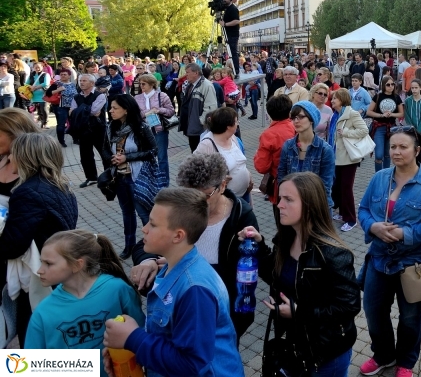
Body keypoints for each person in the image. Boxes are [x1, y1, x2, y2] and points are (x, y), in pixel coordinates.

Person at [102, 187, 244, 377]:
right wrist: (130, 349)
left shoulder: (195, 290)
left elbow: (192, 365)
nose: (144, 228)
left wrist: (133, 338)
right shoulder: (169, 267)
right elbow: (169, 337)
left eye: (152, 224)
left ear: (178, 236)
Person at [129, 154, 266, 343]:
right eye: (189, 193)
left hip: (224, 313)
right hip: (183, 309)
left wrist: (177, 266)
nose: (195, 203)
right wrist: (148, 261)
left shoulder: (241, 216)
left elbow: (245, 269)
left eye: (204, 195)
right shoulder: (183, 211)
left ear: (223, 185)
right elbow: (145, 243)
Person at [240, 172, 359, 377]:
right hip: (295, 342)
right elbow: (276, 275)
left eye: (288, 200)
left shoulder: (333, 253)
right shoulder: (286, 238)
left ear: (310, 205)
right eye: (280, 198)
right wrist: (259, 246)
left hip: (326, 351)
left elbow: (349, 306)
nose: (279, 205)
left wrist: (299, 312)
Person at [358, 127, 421, 377]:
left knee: (410, 318)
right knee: (374, 311)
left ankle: (406, 362)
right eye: (393, 147)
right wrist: (373, 226)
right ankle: (384, 356)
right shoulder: (380, 178)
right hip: (379, 258)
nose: (396, 152)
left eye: (403, 147)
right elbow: (363, 209)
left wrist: (404, 233)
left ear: (417, 151)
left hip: (413, 262)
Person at [25, 230, 145, 375]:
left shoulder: (118, 290)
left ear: (77, 265)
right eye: (41, 262)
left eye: (48, 264)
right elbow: (27, 365)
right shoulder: (43, 312)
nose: (39, 270)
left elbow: (142, 333)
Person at [0, 132, 78, 347]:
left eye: (13, 155)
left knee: (34, 338)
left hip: (40, 279)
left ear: (26, 157)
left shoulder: (26, 193)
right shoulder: (61, 185)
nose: (9, 159)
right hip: (62, 272)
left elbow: (12, 245)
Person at [108, 94, 159, 259]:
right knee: (126, 213)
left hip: (138, 177)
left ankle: (154, 246)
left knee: (144, 214)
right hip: (120, 177)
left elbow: (153, 151)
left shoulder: (141, 127)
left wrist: (127, 157)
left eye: (115, 108)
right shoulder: (112, 127)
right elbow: (104, 147)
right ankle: (129, 246)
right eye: (111, 108)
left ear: (126, 110)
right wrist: (111, 158)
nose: (111, 111)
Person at [326, 88, 370, 232]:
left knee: (346, 188)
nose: (332, 101)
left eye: (335, 99)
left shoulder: (351, 113)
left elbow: (364, 130)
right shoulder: (335, 114)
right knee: (338, 187)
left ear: (343, 99)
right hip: (336, 157)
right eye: (332, 99)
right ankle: (343, 213)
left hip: (349, 158)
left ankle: (351, 219)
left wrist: (346, 132)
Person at [279, 101, 336, 210]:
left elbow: (325, 185)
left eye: (301, 117)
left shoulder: (325, 149)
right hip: (292, 205)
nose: (296, 121)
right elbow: (282, 176)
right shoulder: (288, 146)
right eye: (294, 117)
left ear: (311, 119)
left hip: (317, 207)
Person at [194, 106, 253, 203]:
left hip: (244, 195)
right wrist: (216, 180)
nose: (238, 124)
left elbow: (239, 162)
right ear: (228, 126)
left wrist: (248, 176)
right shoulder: (207, 144)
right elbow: (194, 173)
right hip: (225, 200)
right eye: (236, 121)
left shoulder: (233, 137)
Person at [70, 74, 111, 187]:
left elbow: (94, 111)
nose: (81, 83)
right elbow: (72, 112)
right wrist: (84, 111)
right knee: (85, 155)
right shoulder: (76, 97)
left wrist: (80, 111)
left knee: (105, 154)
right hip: (83, 129)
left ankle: (109, 177)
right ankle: (91, 178)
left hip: (98, 129)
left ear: (92, 83)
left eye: (84, 81)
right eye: (80, 80)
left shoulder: (100, 96)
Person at [134, 74, 175, 183]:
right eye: (140, 83)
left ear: (152, 84)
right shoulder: (137, 98)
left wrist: (159, 110)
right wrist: (146, 113)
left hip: (159, 130)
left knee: (162, 158)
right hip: (144, 132)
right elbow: (135, 115)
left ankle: (164, 182)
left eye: (144, 84)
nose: (141, 86)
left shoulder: (162, 96)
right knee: (146, 157)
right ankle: (149, 181)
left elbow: (171, 111)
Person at [367, 76, 404, 173]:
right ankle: (378, 175)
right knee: (379, 155)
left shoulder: (396, 97)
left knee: (388, 154)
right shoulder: (378, 96)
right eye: (388, 84)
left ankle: (386, 175)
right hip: (379, 127)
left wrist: (392, 114)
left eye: (392, 84)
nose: (391, 86)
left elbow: (401, 113)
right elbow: (369, 112)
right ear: (383, 85)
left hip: (391, 128)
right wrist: (381, 115)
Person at [179, 63, 217, 152]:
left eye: (188, 72)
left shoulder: (207, 85)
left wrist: (201, 122)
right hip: (192, 127)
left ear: (196, 73)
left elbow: (211, 107)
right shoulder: (191, 85)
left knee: (200, 155)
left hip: (199, 130)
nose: (186, 75)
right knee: (194, 153)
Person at [48, 69, 77, 147]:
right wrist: (58, 90)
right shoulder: (56, 84)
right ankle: (61, 141)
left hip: (72, 107)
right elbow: (48, 93)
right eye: (61, 74)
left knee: (73, 123)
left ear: (69, 76)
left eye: (65, 74)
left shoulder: (73, 84)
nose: (63, 76)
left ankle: (75, 139)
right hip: (60, 107)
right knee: (61, 124)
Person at [218, 0, 241, 77]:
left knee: (233, 53)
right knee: (230, 52)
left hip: (232, 34)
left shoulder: (233, 8)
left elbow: (237, 21)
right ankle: (233, 70)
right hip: (227, 34)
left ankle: (236, 71)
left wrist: (225, 24)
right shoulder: (226, 8)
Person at [27, 62, 51, 128]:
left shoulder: (45, 75)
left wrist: (35, 87)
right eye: (36, 67)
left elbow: (46, 83)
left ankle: (45, 123)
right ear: (33, 68)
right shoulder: (31, 75)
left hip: (43, 95)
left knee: (44, 109)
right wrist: (30, 87)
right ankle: (41, 121)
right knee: (38, 110)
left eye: (39, 67)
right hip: (34, 96)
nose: (37, 68)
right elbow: (26, 83)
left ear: (42, 67)